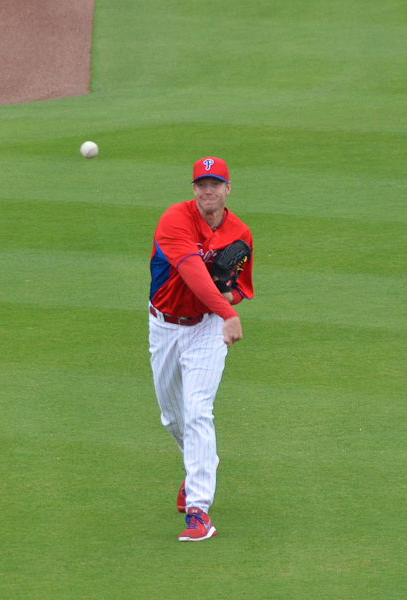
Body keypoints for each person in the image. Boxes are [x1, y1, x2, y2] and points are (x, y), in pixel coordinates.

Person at [148, 156, 254, 542]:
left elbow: (241, 287)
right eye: (201, 185)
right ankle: (201, 463)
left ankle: (198, 512)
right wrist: (227, 308)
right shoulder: (174, 219)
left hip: (207, 329)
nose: (208, 191)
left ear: (228, 188)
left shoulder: (241, 232)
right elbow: (191, 269)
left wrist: (228, 300)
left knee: (197, 411)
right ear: (193, 190)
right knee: (172, 417)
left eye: (215, 184)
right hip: (164, 325)